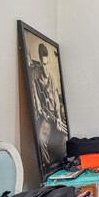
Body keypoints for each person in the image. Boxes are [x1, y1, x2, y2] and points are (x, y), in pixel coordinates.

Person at [31, 43, 68, 171]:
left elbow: (57, 102)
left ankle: (64, 167)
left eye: (46, 65)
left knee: (66, 138)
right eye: (43, 65)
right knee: (41, 139)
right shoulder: (35, 75)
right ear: (40, 63)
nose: (45, 69)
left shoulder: (51, 78)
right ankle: (47, 168)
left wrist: (58, 118)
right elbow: (35, 97)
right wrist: (41, 112)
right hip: (45, 117)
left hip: (55, 116)